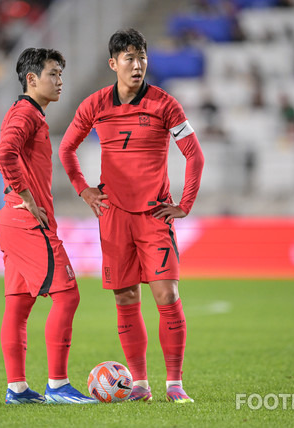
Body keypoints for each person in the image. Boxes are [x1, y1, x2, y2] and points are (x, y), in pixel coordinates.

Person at [59, 28, 205, 403]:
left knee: (167, 294)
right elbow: (66, 149)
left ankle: (175, 384)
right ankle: (140, 383)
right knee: (125, 298)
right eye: (129, 58)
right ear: (113, 64)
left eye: (142, 57)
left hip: (155, 215)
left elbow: (195, 154)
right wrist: (84, 189)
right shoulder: (94, 104)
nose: (137, 64)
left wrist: (185, 204)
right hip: (114, 216)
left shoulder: (165, 104)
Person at [0, 48, 96, 405]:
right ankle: (57, 385)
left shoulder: (28, 113)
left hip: (12, 220)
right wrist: (25, 194)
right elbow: (4, 152)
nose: (60, 81)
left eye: (61, 74)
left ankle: (18, 389)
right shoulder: (26, 113)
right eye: (53, 74)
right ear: (31, 79)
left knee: (19, 308)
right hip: (25, 221)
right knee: (68, 295)